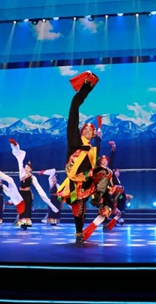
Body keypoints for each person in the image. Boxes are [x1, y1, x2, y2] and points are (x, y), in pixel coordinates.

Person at [57, 70, 100, 246]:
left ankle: (100, 202)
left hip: (87, 180)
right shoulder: (75, 140)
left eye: (91, 130)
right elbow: (74, 107)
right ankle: (79, 231)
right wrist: (87, 87)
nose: (88, 131)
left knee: (105, 175)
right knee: (78, 207)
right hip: (75, 181)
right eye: (86, 129)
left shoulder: (92, 150)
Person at [9, 139, 60, 230]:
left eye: (27, 167)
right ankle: (21, 222)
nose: (25, 168)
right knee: (21, 208)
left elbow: (39, 189)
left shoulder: (32, 178)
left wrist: (47, 201)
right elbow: (19, 160)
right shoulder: (22, 174)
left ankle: (26, 223)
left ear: (30, 169)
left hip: (27, 194)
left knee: (27, 208)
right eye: (25, 167)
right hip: (21, 194)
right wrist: (15, 146)